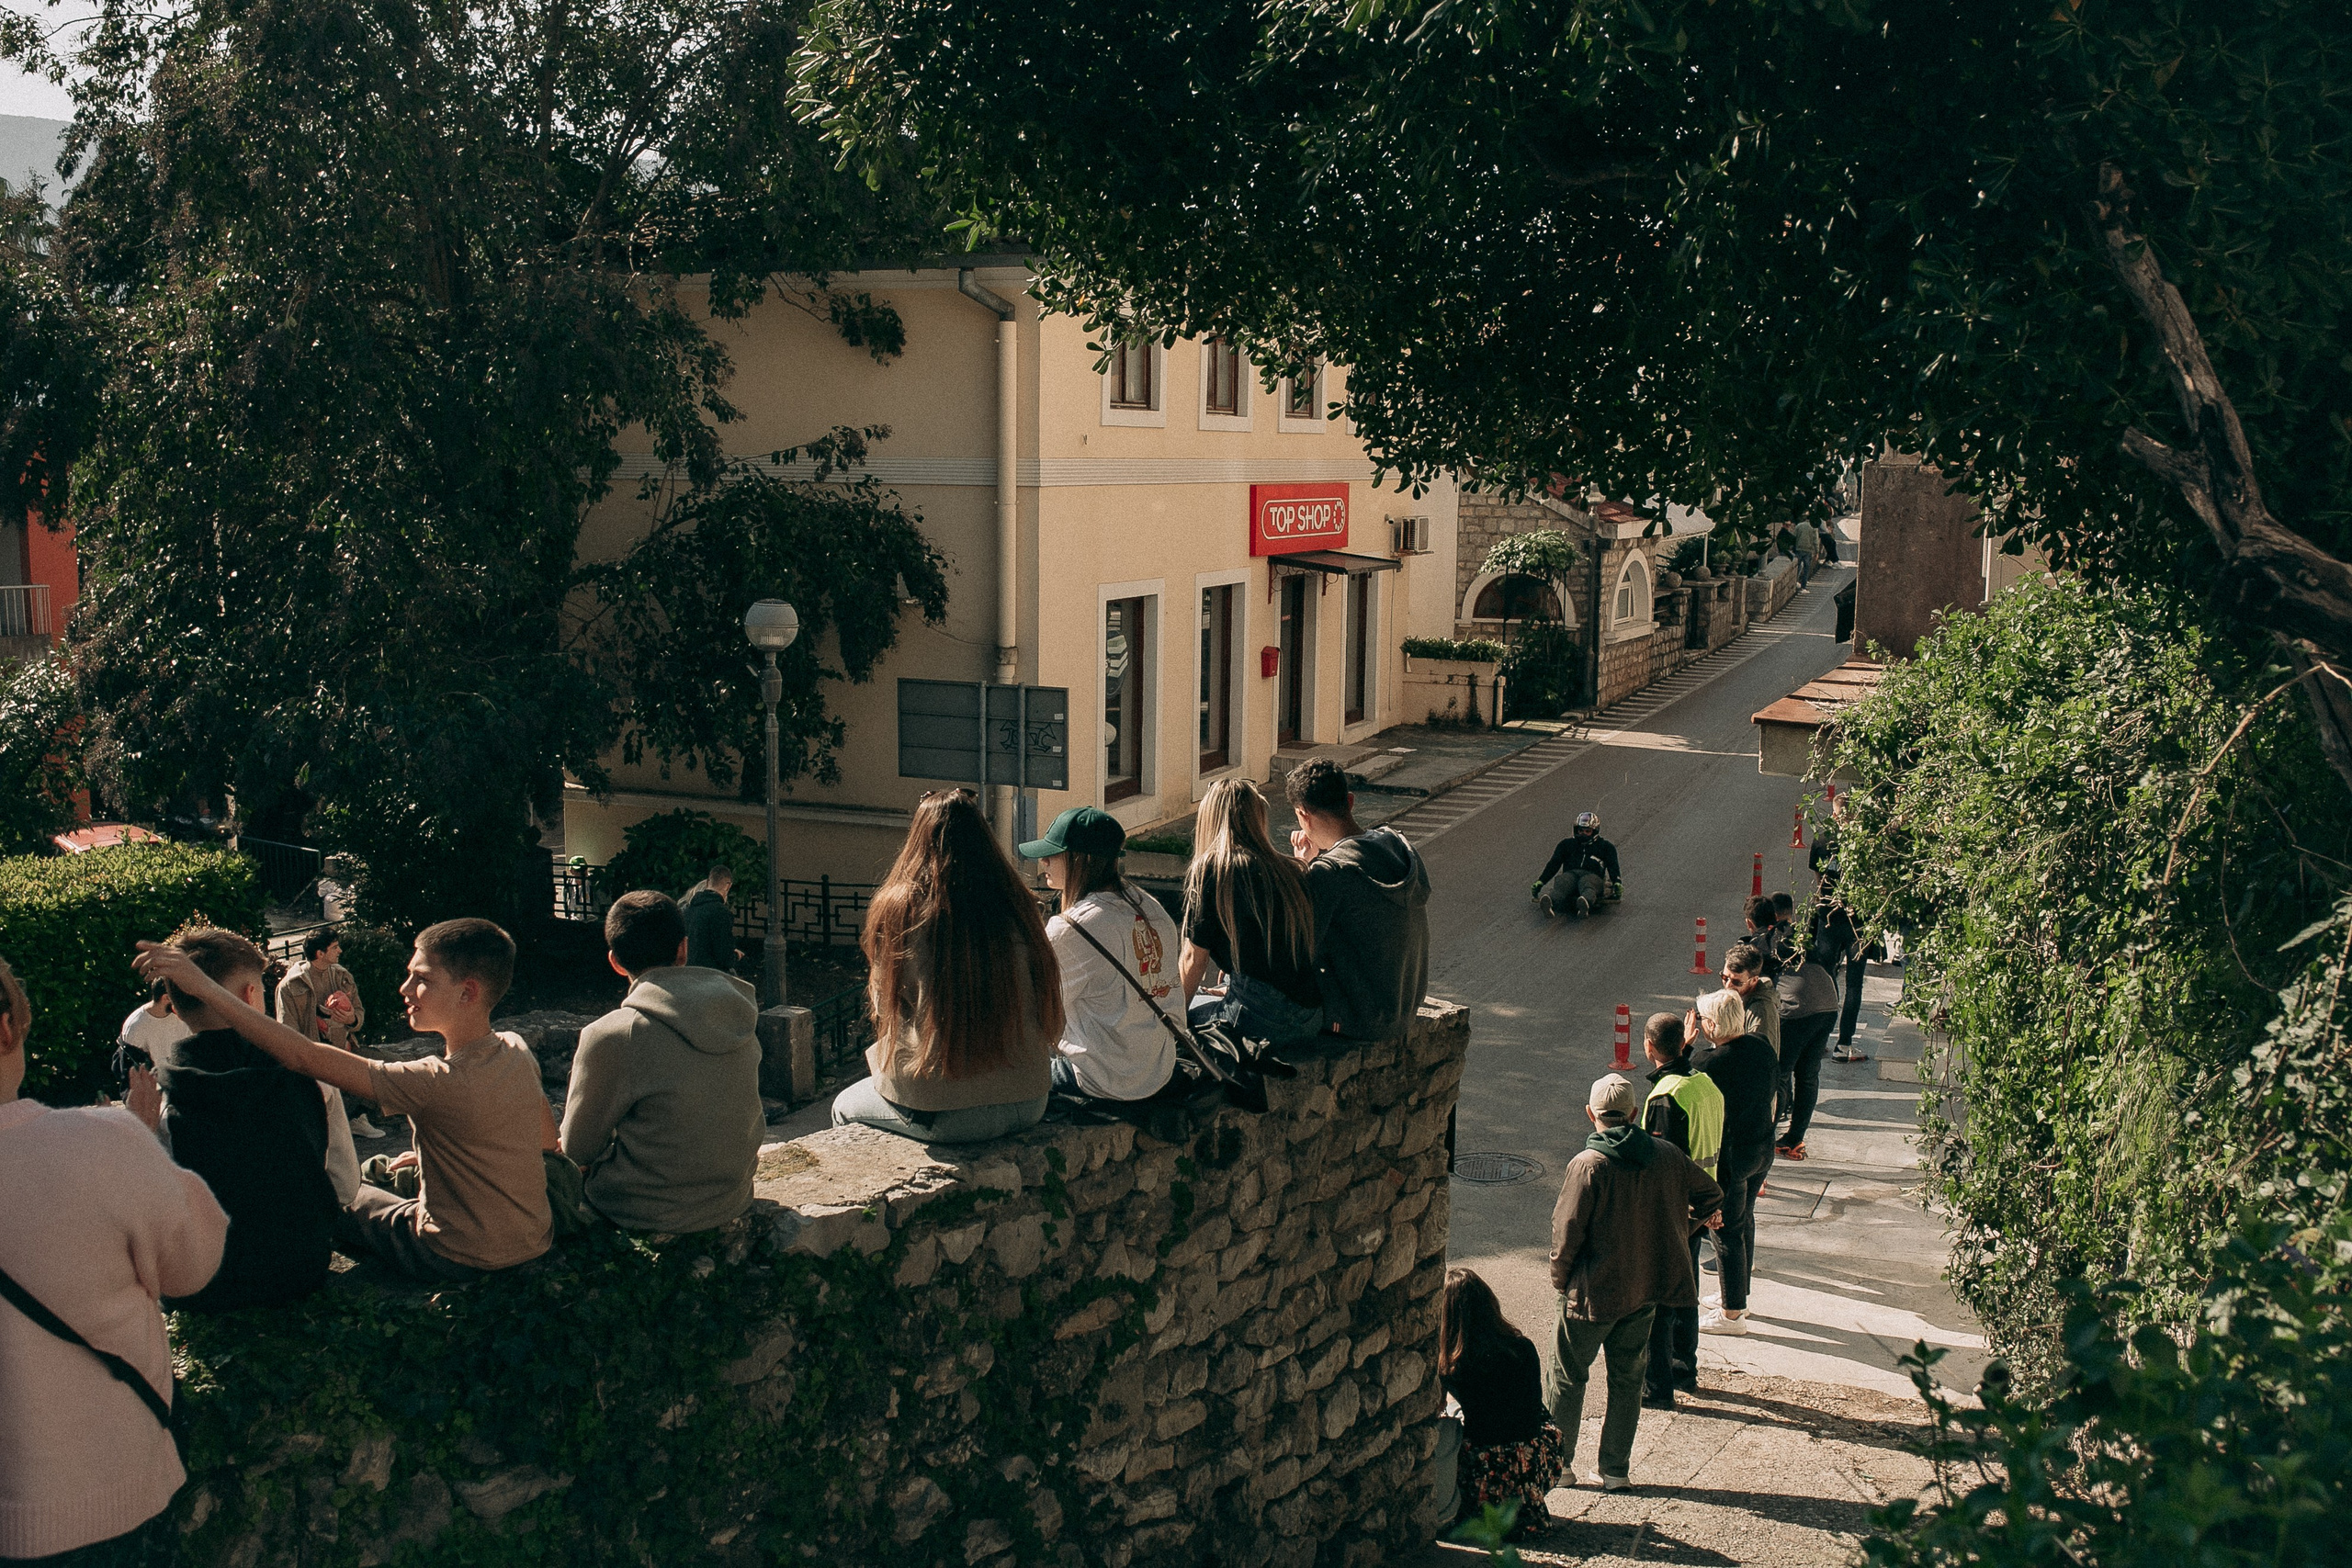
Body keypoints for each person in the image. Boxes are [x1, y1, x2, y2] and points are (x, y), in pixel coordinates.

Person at [136, 918, 557, 1283]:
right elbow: (543, 1140)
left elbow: (304, 1056)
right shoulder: (516, 1048)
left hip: (455, 1256)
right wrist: (438, 1159)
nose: (405, 987)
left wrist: (207, 990)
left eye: (421, 978)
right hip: (535, 1238)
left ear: (467, 993)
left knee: (350, 1200)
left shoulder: (432, 1081)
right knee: (385, 1174)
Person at [0, 952, 229, 1566]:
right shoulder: (105, 1142)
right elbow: (194, 1263)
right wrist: (141, 1137)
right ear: (5, 1028)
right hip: (112, 1490)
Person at [833, 790, 1062, 1142]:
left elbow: (882, 1003)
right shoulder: (1018, 904)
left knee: (843, 1106)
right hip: (1029, 1100)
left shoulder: (901, 909)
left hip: (943, 1111)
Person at [128, 928, 336, 1312]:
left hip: (208, 1290)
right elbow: (345, 1181)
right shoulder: (311, 1077)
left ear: (175, 1007)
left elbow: (153, 1212)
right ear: (250, 995)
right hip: (304, 1268)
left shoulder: (163, 1102)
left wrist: (138, 1134)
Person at [1543, 1073, 1722, 1492]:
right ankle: (1615, 1471)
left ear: (1591, 1115)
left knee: (1567, 1375)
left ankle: (1560, 1465)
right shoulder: (1667, 1154)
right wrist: (1682, 1229)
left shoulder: (1588, 1165)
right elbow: (1712, 1194)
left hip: (1590, 1294)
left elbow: (1566, 1230)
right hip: (1643, 1291)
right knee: (1627, 1379)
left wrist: (1559, 1278)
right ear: (1635, 1113)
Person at [561, 891, 765, 1233]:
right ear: (683, 949)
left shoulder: (614, 1034)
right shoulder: (736, 1007)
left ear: (615, 961)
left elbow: (576, 1148)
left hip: (648, 1209)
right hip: (732, 1195)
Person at [1024, 807, 1181, 1101]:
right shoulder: (1151, 908)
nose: (1042, 861)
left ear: (1079, 860)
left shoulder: (1070, 929)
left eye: (1052, 854)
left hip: (1105, 1078)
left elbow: (1035, 1013)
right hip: (1158, 1070)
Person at [1283, 757, 1430, 1041]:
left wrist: (1304, 868)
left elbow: (1295, 948)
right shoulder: (1397, 845)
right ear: (1350, 801)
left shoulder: (1330, 873)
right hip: (1404, 1008)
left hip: (1358, 1021)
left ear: (1303, 814)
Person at [1179, 779, 1324, 1044]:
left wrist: (1171, 1017)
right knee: (1212, 994)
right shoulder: (1291, 869)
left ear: (1209, 818)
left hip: (1260, 1017)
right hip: (1309, 1017)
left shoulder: (1213, 869)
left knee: (1187, 1012)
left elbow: (1193, 959)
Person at [1439, 1267, 1565, 1536]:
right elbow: (1532, 1406)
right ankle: (1525, 1497)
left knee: (1451, 1419)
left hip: (1483, 1463)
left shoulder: (1454, 1365)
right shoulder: (1523, 1348)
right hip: (1528, 1457)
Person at [1639, 1012, 1724, 1408]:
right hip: (1700, 1205)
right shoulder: (1705, 1085)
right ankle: (1683, 1370)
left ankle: (1658, 1387)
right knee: (1687, 1290)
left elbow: (1662, 1160)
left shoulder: (1664, 1097)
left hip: (1672, 1210)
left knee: (1662, 1300)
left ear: (1648, 1047)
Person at [1685, 988, 1777, 1336]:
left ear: (1711, 1024)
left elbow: (1680, 1074)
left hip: (1732, 1158)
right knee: (1745, 1220)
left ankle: (1732, 1313)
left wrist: (1685, 1046)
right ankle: (1738, 1294)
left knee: (1726, 1231)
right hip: (1761, 1149)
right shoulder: (1761, 1048)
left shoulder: (1710, 1063)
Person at [276, 926, 383, 1142]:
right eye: (335, 947)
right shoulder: (290, 985)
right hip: (313, 1056)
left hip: (346, 1046)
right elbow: (287, 1031)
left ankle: (356, 1117)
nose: (340, 951)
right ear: (320, 954)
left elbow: (359, 1015)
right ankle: (335, 1120)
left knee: (386, 1069)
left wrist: (351, 1019)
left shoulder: (343, 976)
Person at [1774, 927, 1844, 1161]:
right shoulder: (1800, 939)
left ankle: (1765, 1138)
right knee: (1808, 1075)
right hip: (1828, 1004)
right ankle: (1795, 1138)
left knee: (1779, 1075)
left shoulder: (1768, 943)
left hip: (1797, 1009)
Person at [1532, 811, 1621, 919]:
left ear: (1594, 831)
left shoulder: (1606, 847)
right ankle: (1550, 902)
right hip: (1571, 874)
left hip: (1593, 876)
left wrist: (1617, 882)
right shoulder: (1566, 845)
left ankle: (1584, 903)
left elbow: (1613, 866)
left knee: (1587, 883)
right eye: (1581, 830)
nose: (1583, 834)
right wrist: (1541, 881)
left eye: (1587, 831)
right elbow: (1554, 864)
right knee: (1564, 882)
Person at [1718, 942, 1781, 1063]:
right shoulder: (1738, 997)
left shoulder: (1760, 1012)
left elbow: (1759, 1060)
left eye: (1737, 982)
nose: (1728, 986)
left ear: (1754, 980)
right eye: (1724, 978)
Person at [681, 863, 738, 973]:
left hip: (689, 971)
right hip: (711, 974)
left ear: (707, 882)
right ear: (728, 886)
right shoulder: (721, 912)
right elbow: (723, 954)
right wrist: (735, 956)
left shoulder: (689, 909)